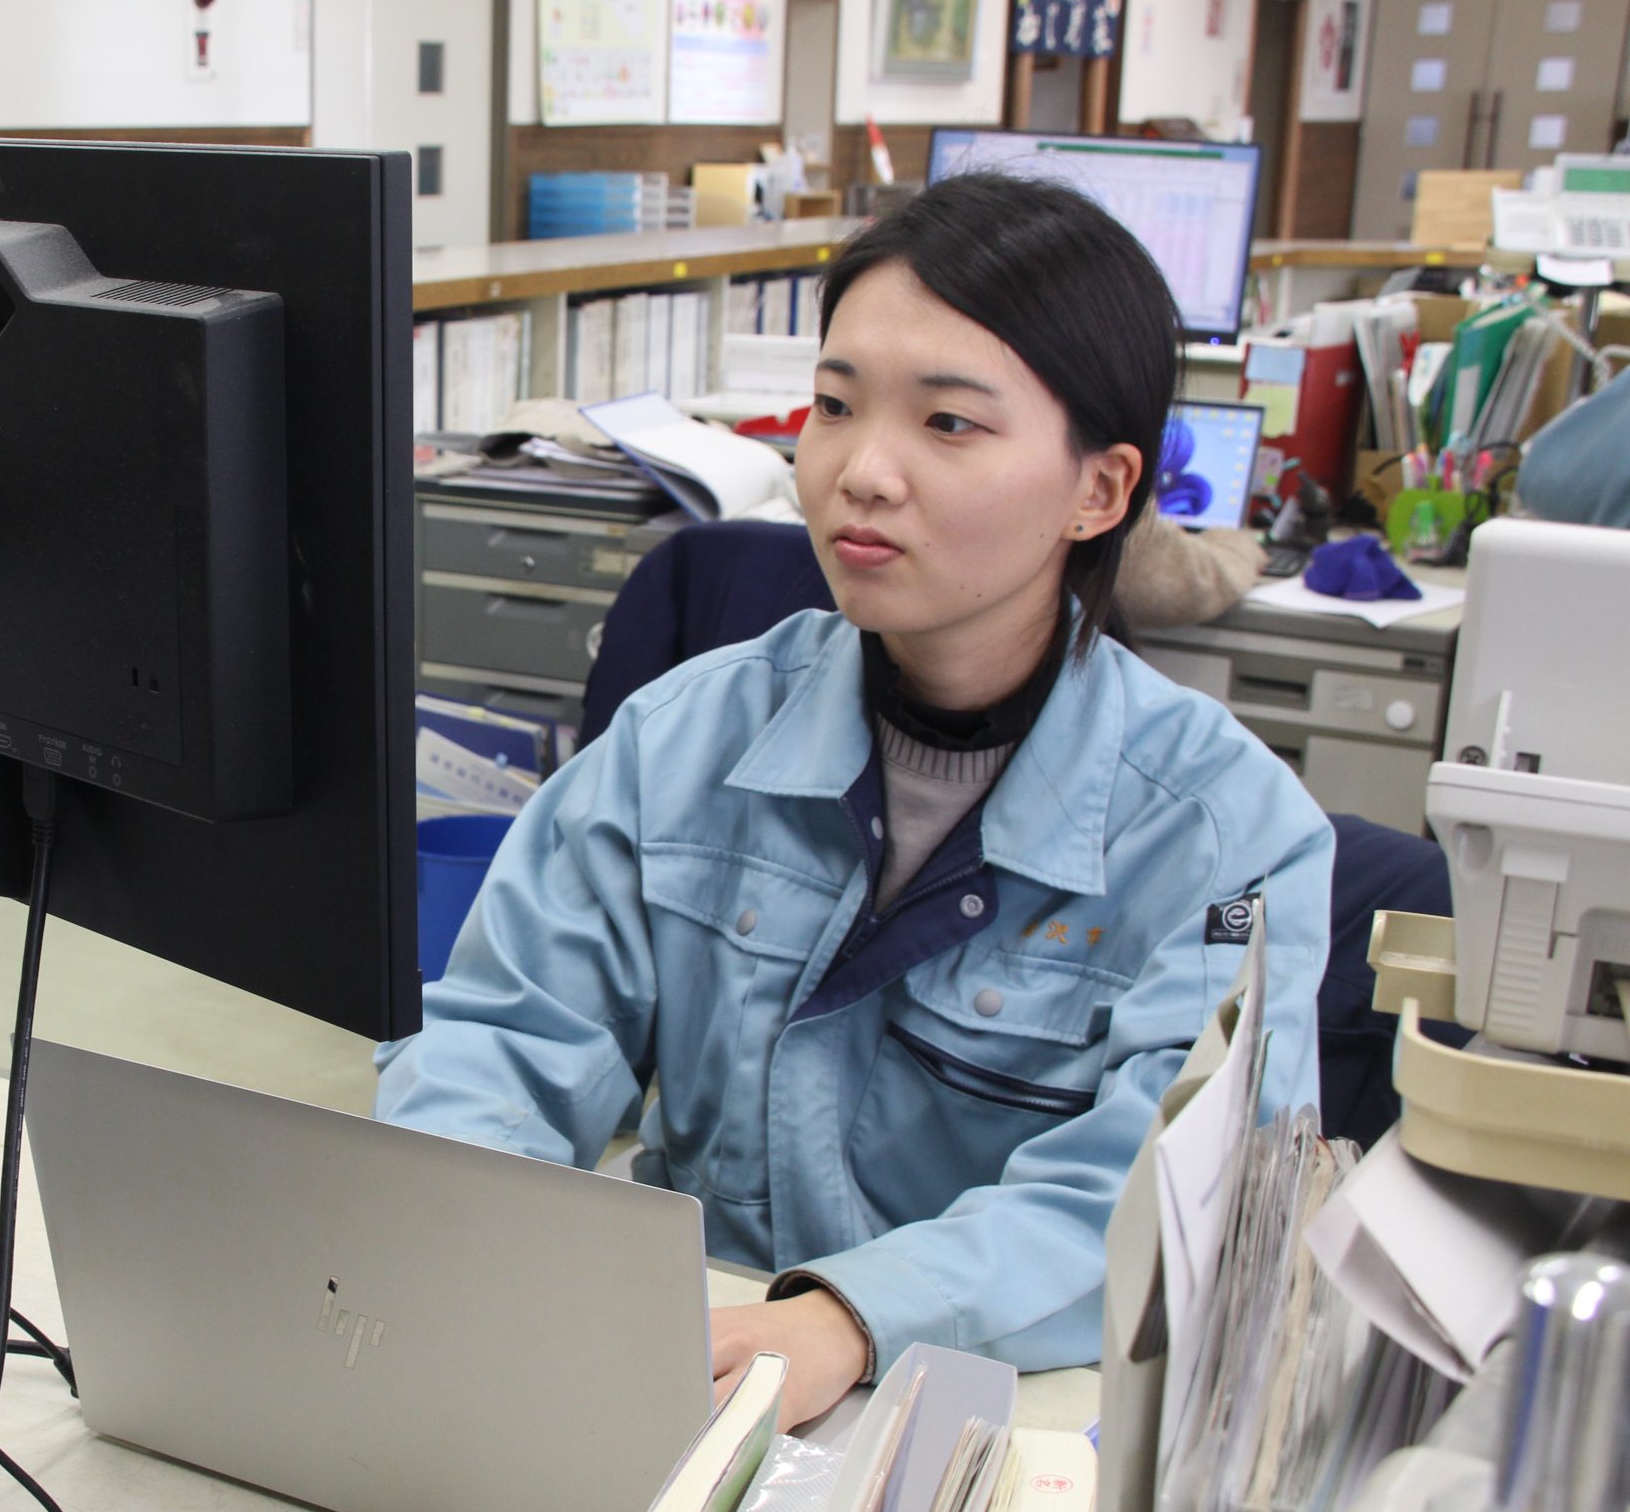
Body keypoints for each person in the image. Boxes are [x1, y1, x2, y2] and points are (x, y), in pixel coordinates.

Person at [374, 174, 1334, 1429]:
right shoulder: (683, 740)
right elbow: (505, 1034)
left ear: (1097, 492)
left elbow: (1163, 1197)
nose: (859, 472)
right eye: (833, 406)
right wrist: (463, 1227)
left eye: (948, 423)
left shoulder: (1226, 837)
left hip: (1001, 1426)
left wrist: (847, 1318)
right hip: (686, 1383)